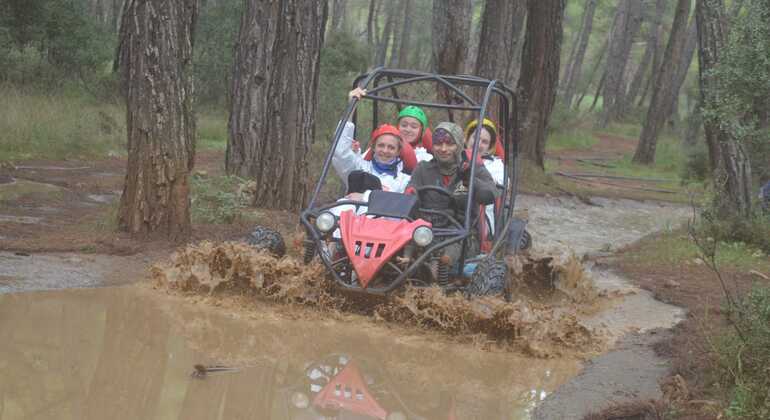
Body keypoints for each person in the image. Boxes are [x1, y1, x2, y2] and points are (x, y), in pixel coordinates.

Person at [405, 122, 498, 265]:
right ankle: (406, 263)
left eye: (450, 144)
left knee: (449, 251)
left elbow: (489, 195)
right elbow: (410, 193)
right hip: (426, 231)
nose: (443, 149)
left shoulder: (473, 169)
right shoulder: (423, 169)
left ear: (459, 145)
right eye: (438, 144)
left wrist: (469, 180)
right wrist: (410, 194)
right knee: (406, 240)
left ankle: (438, 267)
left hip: (461, 234)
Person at [348, 88, 432, 171]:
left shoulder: (425, 158)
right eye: (404, 125)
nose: (408, 129)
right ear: (397, 127)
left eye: (414, 127)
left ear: (421, 131)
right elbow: (358, 165)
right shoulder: (381, 147)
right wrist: (355, 153)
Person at [465, 118, 504, 234]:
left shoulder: (495, 165)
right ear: (467, 138)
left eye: (484, 142)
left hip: (480, 218)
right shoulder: (454, 158)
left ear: (489, 147)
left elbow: (498, 185)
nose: (478, 143)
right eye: (475, 138)